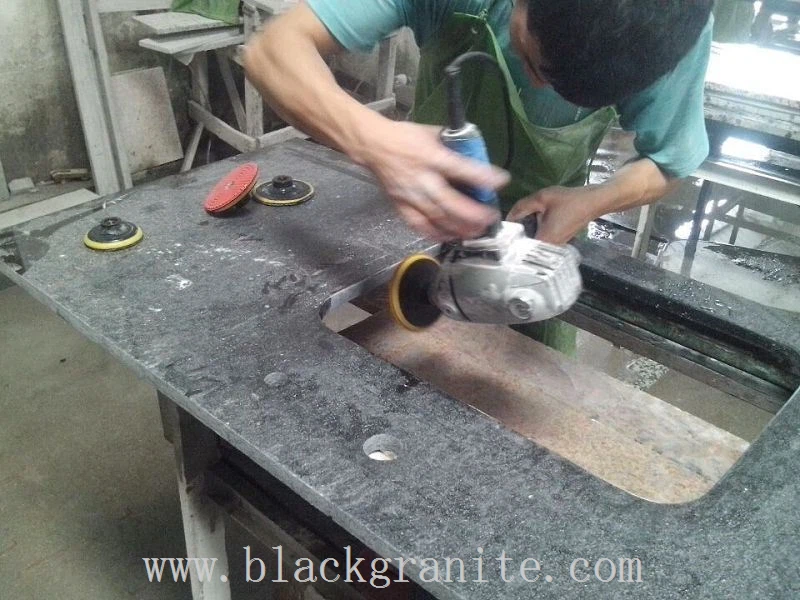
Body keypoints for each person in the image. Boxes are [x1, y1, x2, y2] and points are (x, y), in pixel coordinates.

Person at [244, 0, 714, 354]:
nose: (533, 85)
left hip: (541, 241)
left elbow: (673, 161)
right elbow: (273, 51)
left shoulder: (672, 22)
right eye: (531, 60)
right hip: (418, 216)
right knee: (393, 369)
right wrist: (373, 140)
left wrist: (590, 200)